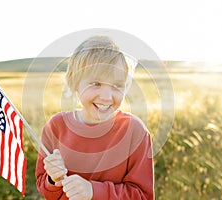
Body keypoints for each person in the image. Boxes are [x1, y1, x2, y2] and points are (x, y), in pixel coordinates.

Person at [35, 35, 154, 199]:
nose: (106, 96)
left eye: (117, 85)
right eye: (95, 83)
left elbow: (143, 196)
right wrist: (53, 180)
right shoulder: (56, 127)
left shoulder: (135, 131)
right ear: (75, 83)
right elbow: (45, 188)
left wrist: (94, 191)